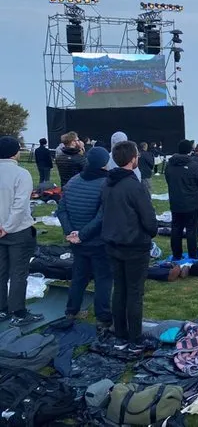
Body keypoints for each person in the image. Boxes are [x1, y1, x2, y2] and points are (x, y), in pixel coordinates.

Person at [101, 141, 158, 350]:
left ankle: (120, 331)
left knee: (120, 289)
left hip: (113, 242)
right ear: (133, 159)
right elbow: (149, 219)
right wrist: (150, 231)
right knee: (134, 292)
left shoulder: (108, 183)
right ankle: (134, 336)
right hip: (133, 245)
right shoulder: (134, 186)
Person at [57, 147, 113, 329]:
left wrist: (70, 232)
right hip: (96, 241)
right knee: (103, 278)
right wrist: (79, 234)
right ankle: (103, 317)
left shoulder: (73, 181)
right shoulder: (107, 184)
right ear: (105, 163)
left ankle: (71, 311)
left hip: (77, 240)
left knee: (79, 276)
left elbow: (62, 210)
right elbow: (102, 216)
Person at [0, 137, 43, 327]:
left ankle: (2, 309)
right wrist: (7, 227)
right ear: (15, 152)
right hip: (17, 230)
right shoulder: (21, 173)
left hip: (4, 228)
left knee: (1, 271)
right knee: (18, 272)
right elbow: (19, 206)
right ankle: (18, 311)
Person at [165, 139, 198, 260]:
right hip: (192, 203)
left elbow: (168, 180)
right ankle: (193, 255)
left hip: (176, 202)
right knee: (191, 230)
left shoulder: (170, 165)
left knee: (176, 229)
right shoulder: (193, 166)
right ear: (189, 150)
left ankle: (177, 254)